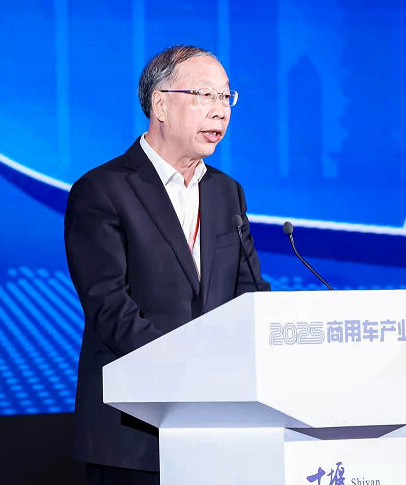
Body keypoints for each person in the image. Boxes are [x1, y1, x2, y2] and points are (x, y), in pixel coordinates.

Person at [64, 45, 270, 485]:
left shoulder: (227, 192)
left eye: (226, 97)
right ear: (160, 104)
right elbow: (109, 308)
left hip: (220, 429)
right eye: (205, 95)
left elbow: (250, 294)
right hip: (132, 434)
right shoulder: (102, 190)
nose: (220, 111)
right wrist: (191, 373)